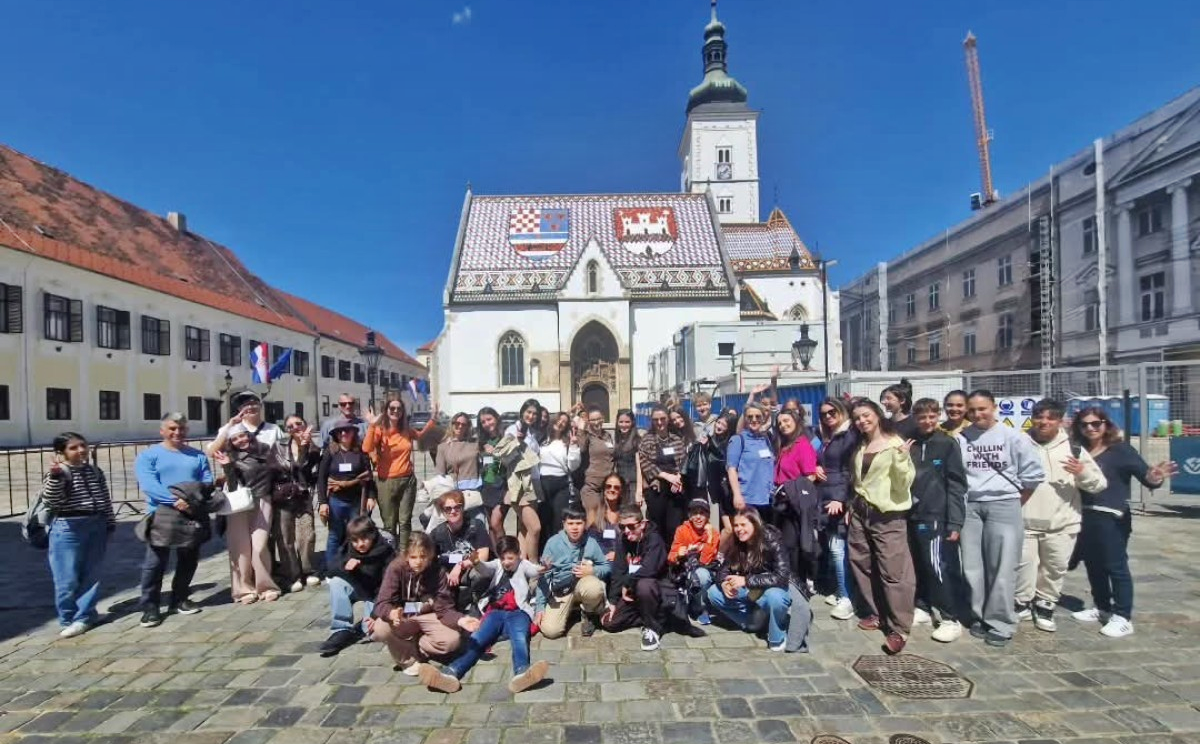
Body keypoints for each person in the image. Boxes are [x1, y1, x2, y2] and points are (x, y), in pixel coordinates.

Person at [1070, 407, 1175, 638]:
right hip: (1084, 515)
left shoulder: (1121, 450)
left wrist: (1154, 477)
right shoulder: (1078, 450)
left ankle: (1123, 616)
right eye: (1084, 424)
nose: (1090, 428)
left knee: (1115, 565)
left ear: (1105, 424)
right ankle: (1102, 607)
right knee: (1093, 564)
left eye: (1095, 423)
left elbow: (1146, 476)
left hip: (1112, 516)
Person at [957, 390, 1046, 647]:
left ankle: (1000, 622)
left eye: (982, 408)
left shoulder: (1013, 437)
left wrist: (1015, 502)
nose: (977, 414)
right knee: (972, 565)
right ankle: (978, 614)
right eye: (972, 410)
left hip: (1004, 503)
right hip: (970, 506)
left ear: (993, 407)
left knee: (1003, 566)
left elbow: (1033, 475)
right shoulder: (961, 438)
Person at [1017, 399, 1107, 633]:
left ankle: (1045, 605)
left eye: (1050, 418)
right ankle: (1021, 603)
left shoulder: (1073, 448)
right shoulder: (1019, 443)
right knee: (1023, 568)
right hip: (1024, 523)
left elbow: (1098, 484)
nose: (1044, 422)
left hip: (1061, 524)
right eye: (1039, 416)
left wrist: (1082, 472)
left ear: (1060, 420)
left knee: (1054, 569)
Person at [418, 536, 550, 694]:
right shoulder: (498, 564)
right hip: (496, 611)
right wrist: (476, 562)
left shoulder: (523, 565)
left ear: (518, 555)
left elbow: (534, 570)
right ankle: (450, 673)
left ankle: (522, 673)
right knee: (478, 639)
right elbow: (485, 569)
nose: (506, 562)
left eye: (510, 558)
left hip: (518, 612)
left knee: (520, 638)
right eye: (503, 558)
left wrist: (543, 568)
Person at [846, 399, 916, 654]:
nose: (862, 421)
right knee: (861, 562)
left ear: (877, 414)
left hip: (887, 515)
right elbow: (859, 480)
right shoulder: (861, 444)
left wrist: (901, 460)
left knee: (894, 571)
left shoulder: (895, 444)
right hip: (860, 512)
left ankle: (899, 628)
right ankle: (876, 613)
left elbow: (903, 484)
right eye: (857, 418)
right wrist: (852, 506)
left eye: (866, 415)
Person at [134, 413, 215, 628]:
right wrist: (173, 500)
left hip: (191, 513)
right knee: (155, 563)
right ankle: (150, 606)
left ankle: (179, 599)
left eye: (181, 428)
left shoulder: (197, 456)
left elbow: (206, 481)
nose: (177, 432)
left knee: (188, 559)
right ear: (162, 430)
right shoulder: (149, 456)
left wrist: (192, 501)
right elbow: (149, 484)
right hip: (161, 514)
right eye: (172, 428)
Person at [907, 399, 968, 643]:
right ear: (915, 418)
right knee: (918, 563)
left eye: (932, 416)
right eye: (922, 417)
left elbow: (956, 484)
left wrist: (955, 521)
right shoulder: (910, 442)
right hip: (911, 513)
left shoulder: (946, 443)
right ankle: (922, 606)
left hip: (935, 514)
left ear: (938, 416)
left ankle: (950, 618)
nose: (927, 421)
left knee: (936, 565)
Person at [42, 432, 114, 638]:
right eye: (73, 448)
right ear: (61, 452)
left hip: (96, 524)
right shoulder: (59, 472)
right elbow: (51, 501)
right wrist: (55, 477)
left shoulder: (94, 471)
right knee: (66, 578)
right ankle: (68, 618)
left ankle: (85, 616)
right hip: (68, 527)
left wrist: (109, 522)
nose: (81, 450)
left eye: (83, 445)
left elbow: (105, 498)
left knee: (92, 574)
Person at [602, 507, 705, 650]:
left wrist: (627, 583)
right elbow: (619, 571)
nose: (626, 531)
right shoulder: (622, 539)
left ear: (642, 524)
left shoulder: (654, 539)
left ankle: (652, 628)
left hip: (657, 590)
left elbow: (649, 570)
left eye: (631, 526)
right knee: (609, 623)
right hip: (634, 593)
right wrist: (613, 601)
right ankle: (658, 617)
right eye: (622, 527)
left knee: (644, 585)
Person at [372, 533, 473, 675]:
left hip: (429, 614)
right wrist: (391, 612)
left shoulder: (438, 572)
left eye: (423, 557)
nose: (418, 562)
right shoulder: (396, 568)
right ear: (406, 555)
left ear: (430, 556)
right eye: (413, 557)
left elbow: (444, 607)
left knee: (452, 641)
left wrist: (461, 620)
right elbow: (382, 601)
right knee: (381, 628)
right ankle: (407, 660)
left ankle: (416, 648)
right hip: (403, 614)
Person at [214, 424, 282, 604]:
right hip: (239, 504)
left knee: (260, 546)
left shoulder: (265, 450)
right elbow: (232, 486)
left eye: (242, 436)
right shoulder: (231, 456)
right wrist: (228, 467)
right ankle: (243, 589)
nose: (240, 441)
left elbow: (276, 472)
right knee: (240, 548)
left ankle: (266, 586)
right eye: (235, 439)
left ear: (249, 435)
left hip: (263, 500)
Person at [707, 508, 792, 650]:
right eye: (736, 525)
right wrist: (724, 583)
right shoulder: (737, 542)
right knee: (713, 593)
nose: (739, 529)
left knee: (775, 597)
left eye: (743, 525)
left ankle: (776, 636)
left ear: (755, 524)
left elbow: (782, 576)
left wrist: (746, 580)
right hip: (750, 593)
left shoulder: (772, 540)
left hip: (770, 590)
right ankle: (753, 623)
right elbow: (723, 571)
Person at [364, 396, 438, 551]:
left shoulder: (405, 430)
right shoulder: (379, 430)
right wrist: (372, 425)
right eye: (392, 408)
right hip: (386, 482)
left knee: (405, 521)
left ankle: (405, 553)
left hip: (407, 480)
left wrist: (433, 419)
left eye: (399, 408)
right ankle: (390, 553)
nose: (396, 411)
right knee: (389, 523)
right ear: (386, 410)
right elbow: (366, 448)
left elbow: (421, 436)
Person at [319, 516, 395, 657]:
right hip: (358, 587)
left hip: (376, 594)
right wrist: (345, 566)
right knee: (336, 582)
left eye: (364, 539)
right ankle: (341, 629)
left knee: (372, 632)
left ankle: (364, 626)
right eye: (355, 540)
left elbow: (388, 587)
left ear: (372, 535)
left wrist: (374, 615)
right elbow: (331, 570)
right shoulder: (349, 548)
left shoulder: (386, 551)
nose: (360, 544)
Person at [535, 504, 611, 639]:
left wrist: (592, 571)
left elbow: (606, 566)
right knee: (550, 631)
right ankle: (571, 610)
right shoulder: (552, 543)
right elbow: (544, 577)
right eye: (570, 523)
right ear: (564, 524)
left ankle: (589, 612)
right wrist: (540, 607)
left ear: (585, 524)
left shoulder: (591, 543)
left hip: (583, 584)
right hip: (561, 589)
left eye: (579, 523)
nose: (575, 528)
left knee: (594, 588)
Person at [814, 398, 858, 620]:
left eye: (832, 412)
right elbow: (829, 464)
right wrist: (817, 467)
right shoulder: (830, 436)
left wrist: (840, 498)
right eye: (824, 414)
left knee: (838, 549)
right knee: (833, 547)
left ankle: (847, 598)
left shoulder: (848, 436)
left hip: (838, 499)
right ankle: (841, 590)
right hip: (826, 496)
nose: (828, 416)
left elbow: (849, 470)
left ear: (841, 411)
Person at [317, 419, 376, 568]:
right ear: (336, 435)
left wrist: (371, 496)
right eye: (340, 431)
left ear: (353, 433)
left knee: (357, 534)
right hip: (336, 501)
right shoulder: (330, 452)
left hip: (356, 500)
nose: (343, 433)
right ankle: (332, 568)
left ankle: (355, 565)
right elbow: (321, 478)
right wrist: (323, 502)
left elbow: (368, 476)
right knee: (334, 535)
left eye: (347, 430)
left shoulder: (360, 452)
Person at [275, 414, 322, 591]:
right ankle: (292, 574)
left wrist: (304, 450)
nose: (295, 427)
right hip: (283, 496)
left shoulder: (314, 450)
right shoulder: (279, 447)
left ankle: (308, 570)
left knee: (307, 535)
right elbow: (275, 469)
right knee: (285, 537)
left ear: (305, 425)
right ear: (286, 430)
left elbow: (306, 472)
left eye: (298, 423)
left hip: (303, 497)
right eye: (290, 426)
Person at [429, 490, 494, 613]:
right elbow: (429, 560)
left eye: (457, 507)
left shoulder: (476, 526)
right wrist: (443, 574)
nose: (453, 511)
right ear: (443, 511)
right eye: (448, 508)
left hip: (470, 570)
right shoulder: (437, 533)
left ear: (462, 508)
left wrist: (461, 565)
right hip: (448, 575)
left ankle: (479, 604)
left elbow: (483, 555)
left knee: (479, 573)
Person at [504, 399, 545, 560]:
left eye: (535, 413)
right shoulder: (512, 430)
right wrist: (516, 443)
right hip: (520, 484)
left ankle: (520, 563)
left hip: (533, 483)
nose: (531, 416)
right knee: (535, 527)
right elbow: (504, 458)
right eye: (528, 412)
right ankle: (533, 565)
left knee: (525, 527)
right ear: (522, 412)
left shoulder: (531, 432)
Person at [670, 498, 721, 624]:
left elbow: (705, 561)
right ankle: (688, 602)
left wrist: (709, 538)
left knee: (702, 575)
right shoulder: (682, 530)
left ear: (708, 516)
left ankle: (699, 608)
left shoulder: (714, 533)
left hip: (703, 572)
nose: (698, 517)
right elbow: (670, 557)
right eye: (694, 513)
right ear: (690, 516)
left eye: (702, 513)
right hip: (684, 571)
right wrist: (678, 554)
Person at [639, 405, 687, 539]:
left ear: (668, 419)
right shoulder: (647, 440)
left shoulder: (676, 439)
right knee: (657, 527)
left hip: (675, 488)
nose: (659, 422)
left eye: (662, 419)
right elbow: (645, 463)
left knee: (674, 527)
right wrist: (666, 476)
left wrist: (677, 479)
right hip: (657, 489)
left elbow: (683, 462)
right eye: (656, 420)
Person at [538, 412, 582, 553]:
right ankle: (544, 553)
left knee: (558, 520)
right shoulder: (542, 439)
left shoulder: (567, 442)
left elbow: (573, 466)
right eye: (559, 419)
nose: (561, 423)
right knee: (543, 520)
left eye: (564, 422)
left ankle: (559, 553)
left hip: (561, 483)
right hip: (543, 483)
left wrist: (574, 446)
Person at [726, 403, 776, 524]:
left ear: (763, 418)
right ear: (745, 419)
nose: (754, 420)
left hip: (767, 499)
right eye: (750, 417)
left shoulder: (766, 439)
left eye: (758, 416)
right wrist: (737, 495)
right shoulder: (738, 440)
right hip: (747, 499)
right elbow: (731, 469)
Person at [208, 390, 285, 453]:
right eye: (245, 405)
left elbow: (285, 452)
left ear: (260, 406)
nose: (250, 407)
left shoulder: (274, 429)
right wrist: (230, 426)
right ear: (240, 410)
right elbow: (212, 452)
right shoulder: (230, 428)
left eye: (254, 403)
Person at [476, 407, 509, 546]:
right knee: (491, 525)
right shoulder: (482, 441)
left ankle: (506, 552)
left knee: (496, 523)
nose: (487, 424)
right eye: (483, 422)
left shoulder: (506, 438)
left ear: (496, 418)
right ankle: (496, 555)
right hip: (487, 486)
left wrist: (495, 453)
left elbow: (511, 462)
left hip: (503, 487)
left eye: (489, 419)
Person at [577, 406, 615, 528]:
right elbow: (581, 448)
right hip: (592, 486)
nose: (596, 422)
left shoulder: (607, 435)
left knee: (607, 521)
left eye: (598, 419)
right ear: (588, 421)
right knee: (593, 521)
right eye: (593, 420)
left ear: (603, 418)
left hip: (608, 485)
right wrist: (581, 429)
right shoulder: (587, 436)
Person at [704, 410, 740, 531]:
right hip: (713, 488)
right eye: (718, 422)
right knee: (721, 526)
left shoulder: (730, 443)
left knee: (731, 526)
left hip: (726, 489)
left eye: (723, 425)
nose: (719, 426)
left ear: (729, 428)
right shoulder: (709, 440)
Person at [437, 412, 482, 492]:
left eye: (464, 424)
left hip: (475, 489)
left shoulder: (475, 444)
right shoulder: (443, 447)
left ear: (468, 427)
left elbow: (486, 465)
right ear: (452, 424)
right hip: (453, 489)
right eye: (457, 423)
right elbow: (441, 474)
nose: (460, 426)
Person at [775, 409, 818, 485]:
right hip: (781, 490)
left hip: (794, 491)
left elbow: (811, 476)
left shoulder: (802, 445)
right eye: (779, 424)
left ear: (795, 420)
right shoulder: (783, 446)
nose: (782, 425)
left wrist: (795, 489)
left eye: (786, 421)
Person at [612, 409, 644, 508]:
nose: (624, 425)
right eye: (621, 422)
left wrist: (639, 491)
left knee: (632, 514)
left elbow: (640, 468)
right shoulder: (618, 440)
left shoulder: (637, 441)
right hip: (621, 485)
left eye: (627, 422)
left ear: (632, 423)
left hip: (633, 485)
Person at [593, 473, 627, 562]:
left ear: (621, 491)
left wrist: (618, 555)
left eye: (616, 487)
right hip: (601, 560)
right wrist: (605, 555)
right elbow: (592, 541)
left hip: (622, 560)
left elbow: (631, 542)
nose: (612, 490)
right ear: (604, 489)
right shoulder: (594, 513)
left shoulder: (626, 514)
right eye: (608, 486)